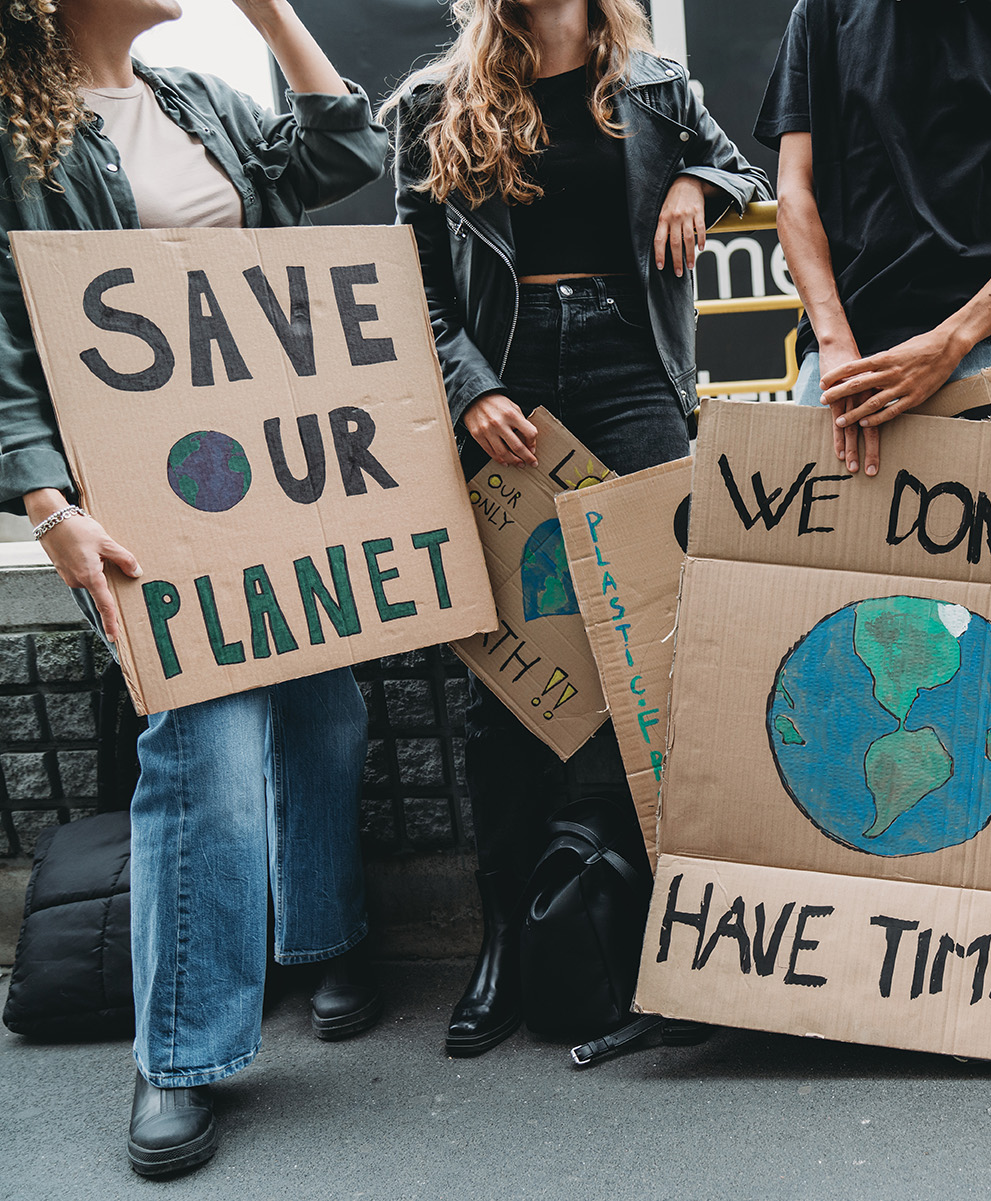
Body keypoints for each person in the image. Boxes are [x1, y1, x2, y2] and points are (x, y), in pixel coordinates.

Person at [0, 0, 385, 1178]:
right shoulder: (19, 133)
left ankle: (324, 938)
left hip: (273, 467)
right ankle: (181, 1051)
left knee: (325, 699)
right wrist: (47, 506)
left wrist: (273, 13)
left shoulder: (198, 98)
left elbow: (345, 151)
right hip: (142, 492)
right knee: (202, 752)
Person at [386, 0, 769, 1057]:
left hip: (633, 371)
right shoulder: (434, 101)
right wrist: (466, 387)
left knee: (661, 647)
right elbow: (410, 279)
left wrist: (700, 180)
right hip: (507, 381)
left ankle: (664, 931)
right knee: (504, 670)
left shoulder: (654, 88)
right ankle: (507, 937)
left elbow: (753, 175)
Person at [759, 0, 991, 475]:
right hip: (847, 355)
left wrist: (952, 341)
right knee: (785, 549)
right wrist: (834, 341)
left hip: (985, 344)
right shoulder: (821, 12)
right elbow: (793, 194)